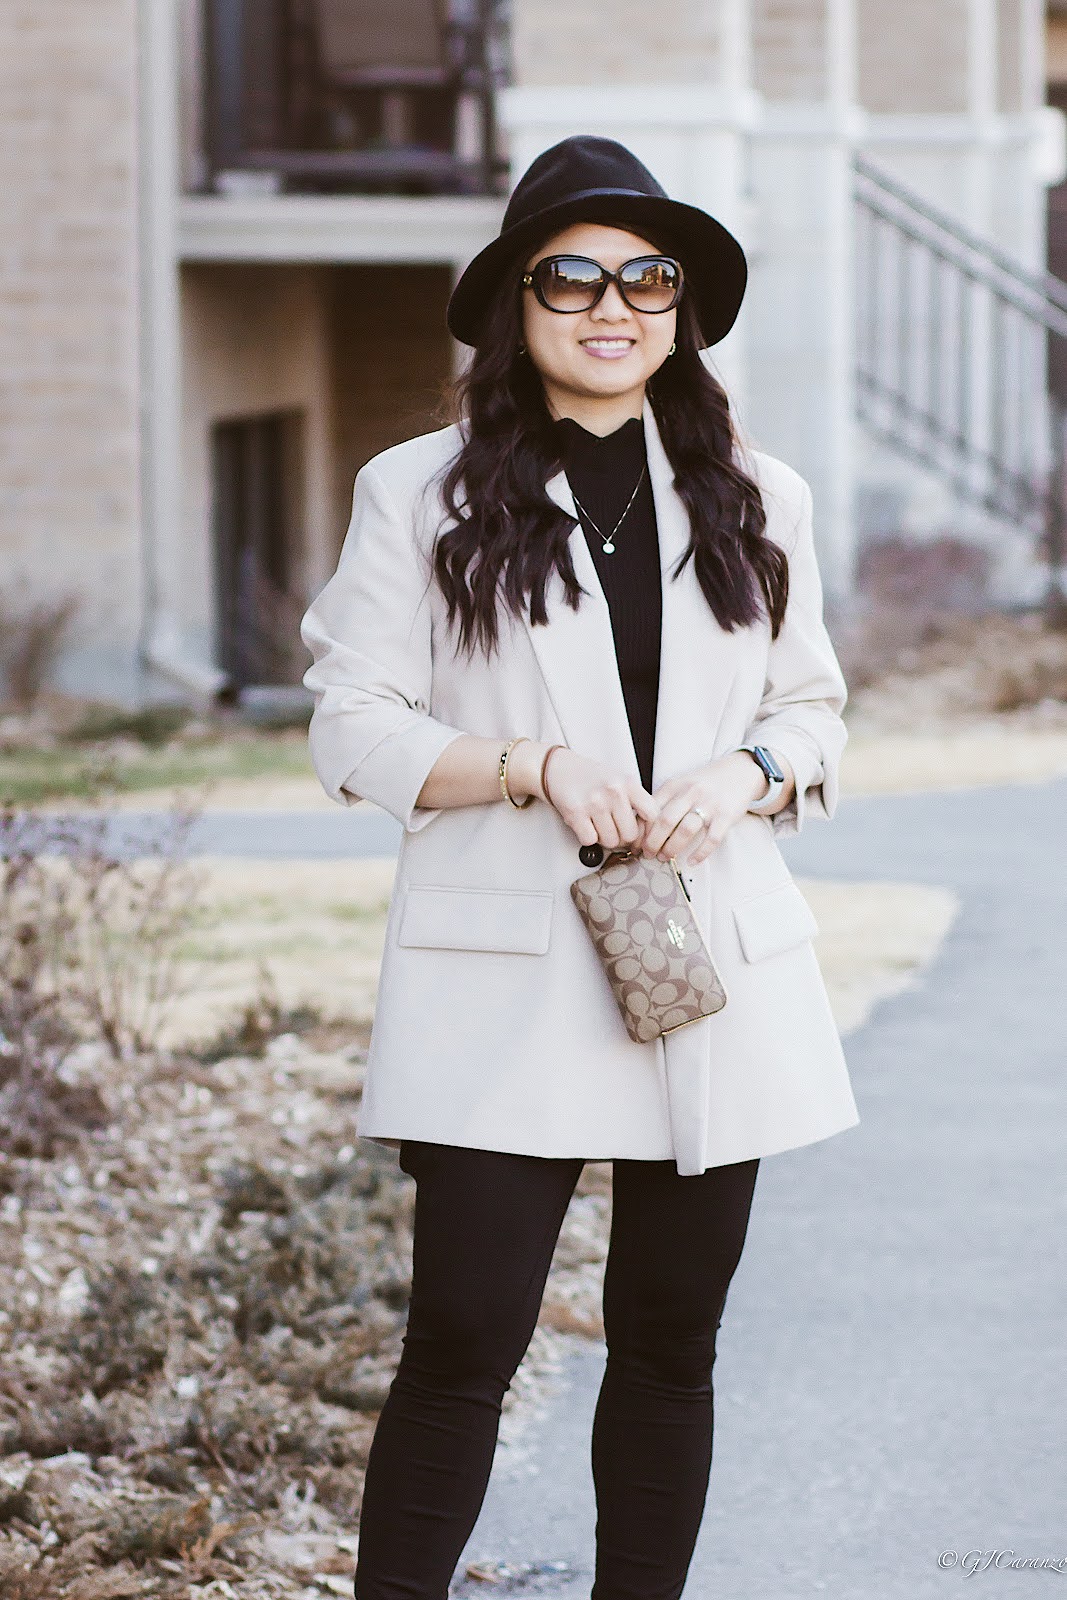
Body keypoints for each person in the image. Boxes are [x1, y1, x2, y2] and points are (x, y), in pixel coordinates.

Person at [300, 134, 860, 1600]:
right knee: (464, 1345)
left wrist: (746, 777)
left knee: (674, 1343)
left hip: (708, 964)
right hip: (505, 968)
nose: (613, 305)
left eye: (648, 277)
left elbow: (813, 709)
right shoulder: (418, 494)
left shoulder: (757, 493)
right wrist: (529, 765)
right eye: (572, 277)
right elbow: (350, 723)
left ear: (679, 308)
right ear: (515, 305)